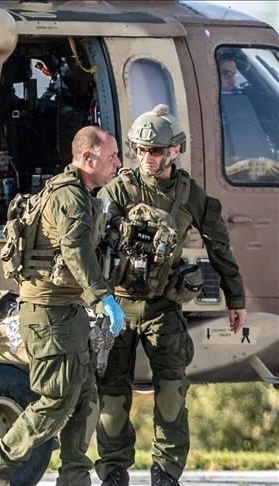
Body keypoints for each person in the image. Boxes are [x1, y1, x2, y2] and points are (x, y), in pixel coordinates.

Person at [95, 105, 247, 486]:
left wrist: (236, 298)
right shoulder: (119, 190)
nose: (147, 157)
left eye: (156, 151)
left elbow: (219, 246)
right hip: (117, 305)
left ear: (175, 150)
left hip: (162, 306)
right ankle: (113, 470)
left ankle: (166, 471)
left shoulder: (190, 196)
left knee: (171, 391)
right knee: (111, 394)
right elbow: (88, 241)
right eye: (141, 150)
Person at [0, 126, 125, 486]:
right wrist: (102, 296)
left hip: (67, 312)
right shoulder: (69, 197)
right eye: (112, 156)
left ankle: (75, 479)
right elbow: (75, 251)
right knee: (55, 400)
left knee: (84, 399)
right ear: (88, 157)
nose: (118, 162)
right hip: (50, 316)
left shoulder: (75, 192)